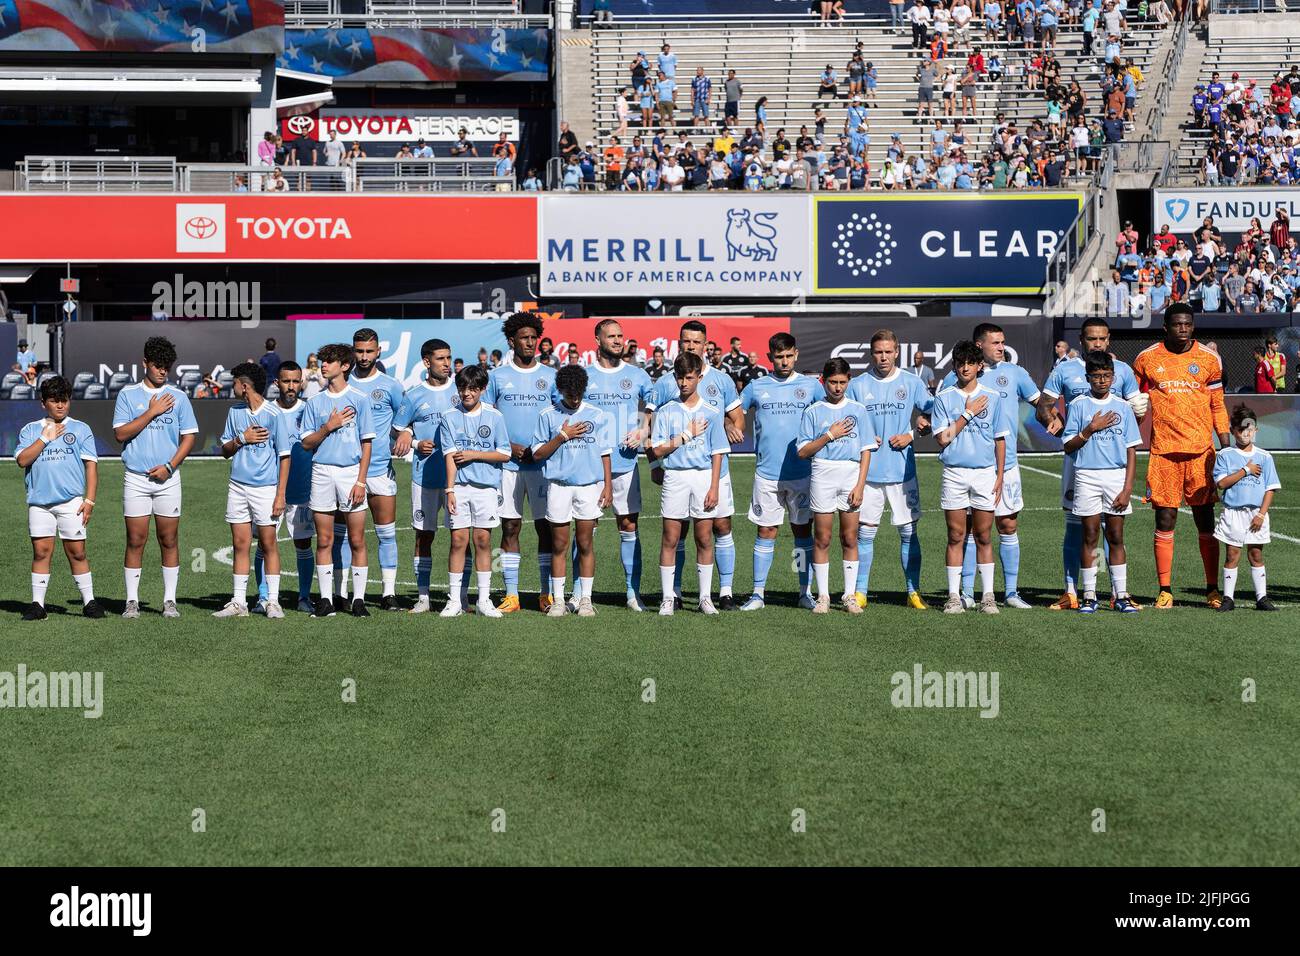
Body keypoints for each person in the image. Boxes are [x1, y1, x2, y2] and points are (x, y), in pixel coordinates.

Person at [1037, 318, 1144, 610]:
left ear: (1108, 340)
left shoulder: (1123, 371)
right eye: (1091, 339)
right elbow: (1044, 407)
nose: (1097, 343)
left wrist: (1141, 412)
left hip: (1113, 462)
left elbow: (1135, 418)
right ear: (1081, 340)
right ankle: (1075, 592)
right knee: (1080, 528)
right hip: (1080, 461)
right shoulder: (1066, 369)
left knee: (1114, 529)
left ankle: (1117, 593)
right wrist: (1055, 421)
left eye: (1102, 339)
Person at [1132, 303, 1230, 609]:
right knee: (1165, 518)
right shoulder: (1147, 359)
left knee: (1205, 521)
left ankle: (1212, 589)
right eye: (1178, 325)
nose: (1184, 329)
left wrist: (1226, 446)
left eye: (1188, 324)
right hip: (1163, 452)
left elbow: (1217, 405)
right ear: (1166, 327)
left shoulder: (1208, 359)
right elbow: (1132, 400)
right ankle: (1165, 589)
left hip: (1201, 452)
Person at [938, 323, 1039, 609]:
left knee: (1006, 525)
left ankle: (1009, 592)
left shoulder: (1014, 372)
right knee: (965, 530)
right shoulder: (951, 380)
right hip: (966, 466)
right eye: (995, 342)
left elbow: (1038, 404)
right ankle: (966, 593)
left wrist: (1054, 420)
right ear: (979, 346)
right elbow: (940, 416)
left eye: (1003, 342)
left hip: (1003, 466)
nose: (1001, 347)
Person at [646, 321, 744, 608]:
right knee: (677, 532)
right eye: (685, 341)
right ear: (679, 343)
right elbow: (648, 424)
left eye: (696, 342)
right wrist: (654, 465)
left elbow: (737, 420)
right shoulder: (666, 382)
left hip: (713, 470)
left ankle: (723, 592)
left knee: (720, 526)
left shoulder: (722, 380)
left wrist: (727, 424)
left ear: (705, 344)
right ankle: (673, 593)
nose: (690, 346)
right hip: (677, 468)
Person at [847, 330, 934, 609]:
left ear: (897, 352)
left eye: (888, 352)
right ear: (871, 354)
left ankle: (913, 592)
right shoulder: (858, 385)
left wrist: (912, 434)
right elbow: (844, 419)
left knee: (909, 533)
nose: (883, 357)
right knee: (865, 534)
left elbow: (935, 412)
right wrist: (861, 436)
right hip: (868, 473)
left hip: (902, 471)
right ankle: (860, 592)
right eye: (877, 352)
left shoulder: (911, 382)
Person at [737, 333, 824, 612]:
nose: (784, 361)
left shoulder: (812, 387)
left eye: (788, 356)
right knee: (766, 531)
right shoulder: (756, 386)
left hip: (802, 473)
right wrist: (731, 425)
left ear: (796, 354)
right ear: (770, 358)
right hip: (767, 473)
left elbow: (828, 414)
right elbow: (733, 411)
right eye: (779, 356)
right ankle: (758, 594)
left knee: (801, 532)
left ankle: (803, 591)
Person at [113, 337, 198, 619]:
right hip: (136, 478)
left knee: (169, 539)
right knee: (135, 539)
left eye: (167, 367)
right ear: (145, 363)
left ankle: (169, 601)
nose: (163, 371)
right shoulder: (128, 395)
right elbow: (120, 434)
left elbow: (189, 438)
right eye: (158, 366)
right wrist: (152, 411)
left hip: (168, 479)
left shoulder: (180, 397)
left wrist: (170, 467)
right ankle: (132, 602)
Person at [330, 329, 409, 612]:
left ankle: (388, 594)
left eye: (369, 351)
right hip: (346, 471)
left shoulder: (390, 385)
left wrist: (407, 433)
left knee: (386, 532)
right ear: (352, 352)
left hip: (378, 469)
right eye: (359, 351)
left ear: (378, 352)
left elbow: (406, 415)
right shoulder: (340, 385)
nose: (364, 357)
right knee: (345, 535)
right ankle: (340, 593)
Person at [486, 312, 558, 612]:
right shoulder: (496, 377)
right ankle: (511, 594)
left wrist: (543, 447)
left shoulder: (551, 376)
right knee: (510, 528)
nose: (530, 343)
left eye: (533, 337)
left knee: (546, 528)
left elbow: (559, 417)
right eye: (524, 338)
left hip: (543, 466)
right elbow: (485, 418)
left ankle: (546, 593)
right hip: (508, 466)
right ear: (511, 341)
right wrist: (507, 445)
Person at [580, 320, 654, 611]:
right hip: (589, 466)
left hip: (625, 463)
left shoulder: (637, 375)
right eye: (611, 336)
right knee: (587, 528)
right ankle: (579, 593)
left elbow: (654, 402)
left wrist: (643, 429)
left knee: (628, 524)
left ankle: (632, 594)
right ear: (597, 339)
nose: (617, 340)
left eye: (620, 336)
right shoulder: (584, 376)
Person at [932, 340, 1011, 615]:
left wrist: (1000, 476)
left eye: (970, 362)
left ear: (980, 366)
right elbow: (943, 439)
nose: (965, 367)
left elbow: (1000, 440)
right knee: (955, 534)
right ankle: (954, 597)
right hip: (954, 472)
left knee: (984, 535)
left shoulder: (993, 396)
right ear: (954, 365)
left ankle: (987, 596)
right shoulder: (943, 398)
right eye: (960, 362)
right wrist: (968, 412)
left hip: (984, 473)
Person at [16, 376, 103, 620]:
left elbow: (91, 467)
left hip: (71, 502)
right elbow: (22, 460)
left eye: (64, 400)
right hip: (39, 503)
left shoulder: (81, 428)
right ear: (43, 403)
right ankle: (38, 605)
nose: (60, 405)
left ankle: (89, 602)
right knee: (41, 552)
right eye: (54, 401)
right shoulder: (31, 429)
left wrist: (90, 500)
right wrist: (45, 438)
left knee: (77, 552)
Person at [1061, 352, 1142, 614]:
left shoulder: (1123, 407)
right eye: (1096, 376)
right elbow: (1068, 446)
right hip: (1087, 475)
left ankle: (1121, 594)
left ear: (1113, 377)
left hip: (1116, 476)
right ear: (1088, 378)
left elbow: (1131, 450)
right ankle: (1089, 594)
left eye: (1106, 375)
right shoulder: (1079, 405)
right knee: (1091, 535)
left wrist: (1128, 488)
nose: (1101, 380)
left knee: (1116, 535)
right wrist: (1090, 429)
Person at [299, 343, 375, 618]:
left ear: (344, 366)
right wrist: (328, 427)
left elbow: (367, 444)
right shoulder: (316, 401)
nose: (324, 365)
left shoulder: (359, 399)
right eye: (322, 361)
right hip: (321, 472)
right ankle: (326, 600)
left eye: (329, 361)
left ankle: (358, 600)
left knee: (357, 539)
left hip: (350, 473)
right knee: (324, 540)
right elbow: (307, 443)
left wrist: (361, 481)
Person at [532, 366, 613, 618]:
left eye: (578, 393)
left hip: (589, 487)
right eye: (569, 393)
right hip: (558, 487)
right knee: (559, 544)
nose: (574, 398)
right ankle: (557, 600)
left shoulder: (597, 415)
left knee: (585, 542)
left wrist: (607, 485)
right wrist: (562, 436)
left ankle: (585, 600)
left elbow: (605, 453)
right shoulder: (548, 415)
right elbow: (537, 454)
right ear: (561, 390)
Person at [212, 363, 291, 619]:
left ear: (244, 386)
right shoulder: (234, 413)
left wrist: (280, 494)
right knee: (240, 544)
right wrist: (241, 439)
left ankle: (273, 602)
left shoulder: (274, 414)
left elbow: (285, 456)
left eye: (234, 383)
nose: (232, 387)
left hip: (265, 489)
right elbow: (225, 451)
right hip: (237, 487)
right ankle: (238, 602)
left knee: (269, 544)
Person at [797, 358, 875, 615]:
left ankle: (849, 595)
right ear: (824, 381)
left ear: (849, 380)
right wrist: (829, 435)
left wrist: (860, 485)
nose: (838, 387)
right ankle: (823, 596)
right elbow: (802, 451)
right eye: (833, 382)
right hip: (823, 472)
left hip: (851, 474)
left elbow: (866, 450)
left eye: (842, 382)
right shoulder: (813, 411)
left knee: (850, 537)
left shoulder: (859, 410)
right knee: (822, 537)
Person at [438, 365, 512, 618]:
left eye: (472, 388)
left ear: (482, 389)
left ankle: (483, 600)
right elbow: (449, 456)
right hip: (458, 487)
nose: (466, 393)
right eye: (462, 388)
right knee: (458, 541)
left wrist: (474, 454)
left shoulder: (495, 416)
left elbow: (504, 453)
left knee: (483, 541)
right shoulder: (448, 417)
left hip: (486, 489)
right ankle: (455, 601)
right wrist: (449, 490)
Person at [392, 340, 459, 614]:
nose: (447, 363)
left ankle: (460, 596)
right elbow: (397, 430)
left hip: (459, 479)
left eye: (449, 358)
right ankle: (423, 597)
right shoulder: (414, 395)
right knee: (424, 536)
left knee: (460, 537)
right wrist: (414, 439)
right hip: (425, 476)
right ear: (427, 362)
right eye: (441, 358)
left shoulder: (461, 390)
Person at [249, 361, 316, 614]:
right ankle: (263, 598)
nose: (291, 386)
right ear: (276, 383)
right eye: (286, 381)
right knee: (266, 544)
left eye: (295, 381)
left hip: (301, 492)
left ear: (302, 383)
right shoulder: (265, 411)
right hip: (268, 491)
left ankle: (304, 597)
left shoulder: (309, 410)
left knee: (303, 543)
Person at [1213, 405, 1280, 612]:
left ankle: (1262, 598)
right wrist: (1246, 470)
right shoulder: (1225, 455)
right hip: (1233, 513)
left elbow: (1270, 488)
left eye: (1250, 429)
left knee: (1256, 555)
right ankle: (1228, 598)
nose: (1246, 434)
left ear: (1256, 431)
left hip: (1256, 514)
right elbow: (1222, 483)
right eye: (1241, 430)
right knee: (1232, 554)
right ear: (1233, 430)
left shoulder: (1265, 457)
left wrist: (1261, 514)